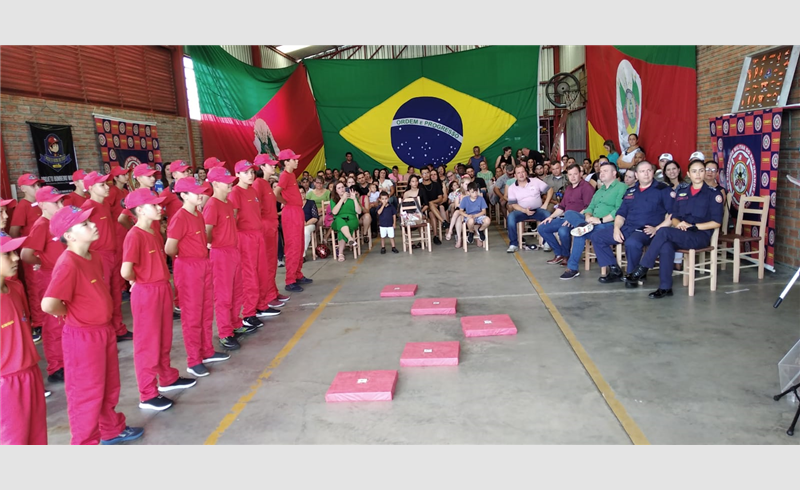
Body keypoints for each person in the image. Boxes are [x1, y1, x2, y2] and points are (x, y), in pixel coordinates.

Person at [42, 206, 144, 445]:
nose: (93, 225)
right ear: (70, 235)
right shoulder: (68, 263)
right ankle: (84, 442)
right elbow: (49, 304)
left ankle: (111, 429)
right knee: (86, 393)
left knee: (108, 385)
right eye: (85, 224)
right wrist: (72, 314)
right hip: (82, 336)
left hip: (103, 331)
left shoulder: (94, 256)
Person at [122, 188, 197, 411]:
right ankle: (147, 393)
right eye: (153, 205)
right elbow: (126, 271)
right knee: (147, 344)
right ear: (139, 210)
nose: (159, 208)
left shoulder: (152, 231)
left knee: (163, 338)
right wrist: (139, 282)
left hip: (162, 287)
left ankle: (167, 378)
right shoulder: (134, 235)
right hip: (147, 292)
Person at [627, 159, 724, 298]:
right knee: (666, 245)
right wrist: (678, 224)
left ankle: (643, 267)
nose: (698, 174)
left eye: (701, 171)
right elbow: (675, 216)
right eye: (694, 171)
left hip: (699, 235)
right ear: (689, 174)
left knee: (663, 231)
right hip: (681, 233)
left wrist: (693, 226)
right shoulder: (682, 193)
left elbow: (717, 222)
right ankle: (665, 288)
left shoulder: (713, 194)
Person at [165, 178, 230, 378]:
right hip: (188, 266)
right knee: (192, 314)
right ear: (183, 195)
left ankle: (206, 350)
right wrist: (186, 256)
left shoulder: (198, 215)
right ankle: (193, 360)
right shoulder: (180, 218)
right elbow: (169, 248)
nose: (200, 195)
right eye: (195, 193)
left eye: (200, 192)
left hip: (203, 263)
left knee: (205, 309)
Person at [590, 161, 674, 286]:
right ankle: (615, 270)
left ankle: (632, 275)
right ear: (636, 175)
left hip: (647, 230)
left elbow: (673, 214)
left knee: (632, 242)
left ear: (653, 172)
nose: (646, 174)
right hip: (628, 227)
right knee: (597, 236)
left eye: (649, 171)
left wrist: (658, 228)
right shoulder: (631, 191)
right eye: (642, 171)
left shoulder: (663, 189)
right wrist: (616, 228)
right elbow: (620, 214)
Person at [1, 231, 48, 445]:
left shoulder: (15, 288)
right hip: (6, 383)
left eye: (14, 252)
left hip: (30, 372)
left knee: (37, 436)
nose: (16, 258)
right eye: (7, 254)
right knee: (14, 439)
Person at [20, 187, 66, 383]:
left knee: (64, 320)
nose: (60, 205)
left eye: (60, 201)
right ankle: (56, 366)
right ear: (41, 205)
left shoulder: (58, 223)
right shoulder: (41, 225)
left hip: (62, 276)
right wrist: (41, 263)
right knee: (53, 324)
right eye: (55, 202)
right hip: (49, 278)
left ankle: (66, 359)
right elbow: (26, 254)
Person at [80, 171, 132, 341]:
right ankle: (107, 331)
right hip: (99, 256)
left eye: (105, 183)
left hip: (112, 254)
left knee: (115, 292)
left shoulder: (104, 205)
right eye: (102, 185)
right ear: (91, 188)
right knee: (103, 295)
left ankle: (118, 328)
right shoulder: (88, 207)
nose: (106, 187)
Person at [203, 167, 249, 352]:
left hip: (233, 251)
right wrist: (212, 245)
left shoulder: (227, 203)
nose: (230, 183)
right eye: (226, 181)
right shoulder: (212, 205)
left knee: (237, 290)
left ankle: (235, 323)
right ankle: (224, 332)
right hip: (220, 253)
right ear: (215, 184)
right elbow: (207, 232)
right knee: (223, 294)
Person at [561, 161, 627, 280]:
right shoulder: (599, 190)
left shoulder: (621, 187)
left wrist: (600, 220)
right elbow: (590, 207)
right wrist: (587, 217)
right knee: (569, 213)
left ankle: (572, 268)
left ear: (614, 173)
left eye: (605, 171)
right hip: (590, 221)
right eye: (601, 171)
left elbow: (619, 210)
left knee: (579, 233)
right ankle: (582, 225)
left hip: (608, 223)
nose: (601, 174)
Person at [229, 160, 277, 326]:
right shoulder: (235, 193)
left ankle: (261, 305)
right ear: (237, 174)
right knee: (249, 275)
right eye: (245, 172)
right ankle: (249, 313)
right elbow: (233, 219)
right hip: (244, 237)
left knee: (262, 272)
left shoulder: (252, 191)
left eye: (251, 172)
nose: (250, 175)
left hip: (257, 235)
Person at [9, 173, 44, 343]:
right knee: (35, 289)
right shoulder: (23, 206)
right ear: (23, 189)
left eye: (38, 185)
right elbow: (14, 232)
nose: (37, 188)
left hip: (43, 254)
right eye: (33, 186)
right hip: (30, 255)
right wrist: (17, 253)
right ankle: (38, 323)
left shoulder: (41, 204)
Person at [538, 163, 595, 266]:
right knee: (542, 227)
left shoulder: (587, 187)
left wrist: (572, 217)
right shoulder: (568, 188)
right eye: (570, 174)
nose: (572, 177)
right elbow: (562, 207)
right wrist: (550, 217)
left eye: (575, 174)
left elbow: (589, 208)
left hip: (579, 220)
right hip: (565, 218)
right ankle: (559, 254)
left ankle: (566, 255)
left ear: (580, 174)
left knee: (563, 231)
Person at [253, 154, 290, 309]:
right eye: (270, 165)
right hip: (265, 227)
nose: (273, 167)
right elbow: (256, 208)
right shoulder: (258, 184)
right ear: (262, 167)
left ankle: (272, 291)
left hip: (272, 225)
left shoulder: (266, 184)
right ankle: (268, 295)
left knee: (272, 261)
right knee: (267, 262)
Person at [275, 149, 313, 292]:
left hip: (296, 211)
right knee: (293, 246)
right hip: (291, 212)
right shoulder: (285, 175)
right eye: (294, 159)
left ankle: (297, 274)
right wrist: (285, 202)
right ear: (286, 162)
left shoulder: (291, 175)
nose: (297, 161)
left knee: (300, 244)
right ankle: (290, 280)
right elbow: (276, 193)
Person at [505, 165, 553, 253]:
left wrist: (545, 204)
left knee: (548, 215)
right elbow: (513, 204)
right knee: (511, 217)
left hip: (537, 210)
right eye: (518, 173)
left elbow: (550, 190)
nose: (521, 174)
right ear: (515, 175)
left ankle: (547, 243)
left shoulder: (535, 181)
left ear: (526, 173)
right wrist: (524, 210)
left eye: (523, 172)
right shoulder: (512, 187)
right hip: (522, 211)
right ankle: (513, 244)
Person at [331, 181, 362, 261]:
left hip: (351, 220)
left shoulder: (352, 197)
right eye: (339, 188)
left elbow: (359, 212)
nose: (341, 189)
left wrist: (355, 199)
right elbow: (334, 212)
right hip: (338, 220)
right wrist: (342, 199)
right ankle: (350, 238)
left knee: (342, 230)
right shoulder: (333, 200)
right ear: (336, 191)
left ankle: (341, 254)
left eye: (342, 187)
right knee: (340, 221)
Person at [459, 182, 491, 248]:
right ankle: (471, 232)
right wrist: (467, 215)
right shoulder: (465, 199)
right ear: (468, 192)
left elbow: (484, 211)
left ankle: (481, 230)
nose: (475, 194)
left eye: (476, 191)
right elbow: (460, 211)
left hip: (479, 215)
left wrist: (476, 215)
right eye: (473, 192)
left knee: (487, 220)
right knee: (470, 221)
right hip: (469, 216)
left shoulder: (481, 199)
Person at [418, 168, 445, 245]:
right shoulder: (420, 186)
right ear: (421, 175)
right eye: (424, 173)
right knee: (431, 211)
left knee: (432, 213)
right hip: (424, 207)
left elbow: (440, 198)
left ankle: (435, 236)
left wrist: (430, 203)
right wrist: (428, 204)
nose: (426, 175)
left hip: (435, 206)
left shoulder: (436, 184)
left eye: (427, 173)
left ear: (430, 173)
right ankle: (443, 222)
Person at [300, 187, 319, 258]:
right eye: (299, 193)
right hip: (298, 225)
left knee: (305, 231)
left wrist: (306, 223)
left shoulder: (311, 202)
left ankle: (302, 254)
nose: (301, 194)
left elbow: (315, 217)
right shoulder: (295, 204)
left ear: (305, 193)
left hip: (309, 224)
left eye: (302, 192)